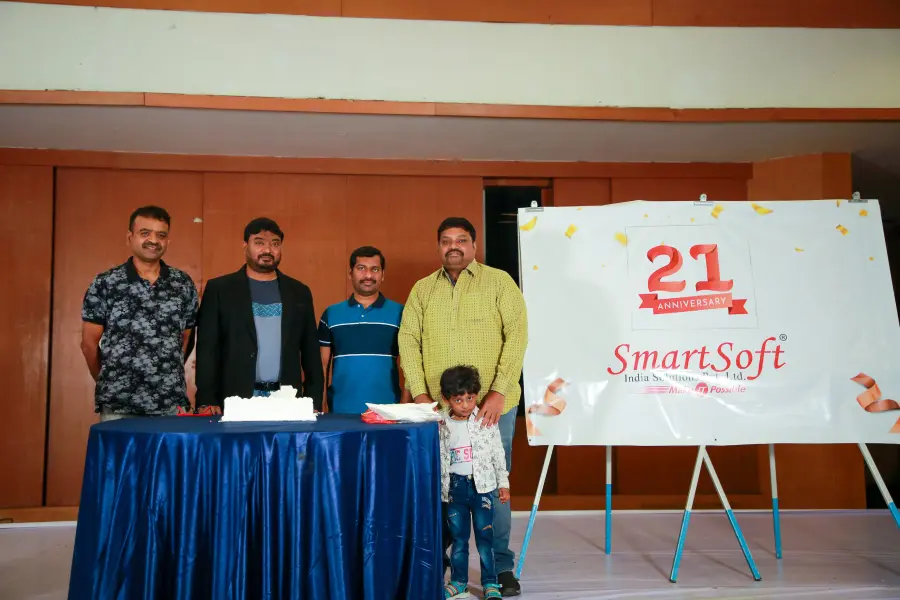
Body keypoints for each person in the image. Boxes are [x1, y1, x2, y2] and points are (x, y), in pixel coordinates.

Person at [398, 217, 527, 596]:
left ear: (474, 245)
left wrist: (499, 391)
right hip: (438, 413)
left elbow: (517, 336)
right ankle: (440, 565)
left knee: (491, 485)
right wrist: (420, 396)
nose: (453, 246)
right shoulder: (422, 290)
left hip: (490, 409)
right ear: (439, 246)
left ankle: (500, 567)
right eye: (446, 240)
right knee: (441, 486)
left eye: (461, 240)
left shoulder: (500, 283)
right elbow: (408, 340)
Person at [81, 206, 198, 421]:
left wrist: (164, 376)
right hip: (118, 404)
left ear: (167, 241)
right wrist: (108, 381)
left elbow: (186, 339)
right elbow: (89, 344)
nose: (153, 240)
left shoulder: (182, 284)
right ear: (130, 237)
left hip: (169, 403)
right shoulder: (106, 282)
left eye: (161, 235)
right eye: (145, 233)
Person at [195, 217, 324, 411]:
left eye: (275, 244)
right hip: (234, 401)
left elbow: (311, 352)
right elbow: (207, 349)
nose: (268, 250)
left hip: (287, 400)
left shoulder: (299, 292)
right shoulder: (220, 289)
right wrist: (206, 398)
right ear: (245, 246)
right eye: (259, 243)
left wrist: (313, 399)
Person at [440, 365, 509, 600]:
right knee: (458, 539)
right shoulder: (441, 424)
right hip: (454, 490)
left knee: (484, 539)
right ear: (447, 399)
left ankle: (490, 583)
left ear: (477, 395)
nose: (465, 405)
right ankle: (459, 582)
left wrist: (503, 483)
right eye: (458, 400)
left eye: (470, 398)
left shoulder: (485, 420)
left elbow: (497, 452)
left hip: (481, 489)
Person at [318, 246, 411, 414]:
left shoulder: (401, 313)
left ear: (382, 275)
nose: (368, 275)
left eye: (375, 269)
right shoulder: (331, 314)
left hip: (387, 413)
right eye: (361, 268)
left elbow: (411, 363)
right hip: (340, 412)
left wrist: (404, 405)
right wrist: (322, 406)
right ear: (350, 273)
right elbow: (322, 366)